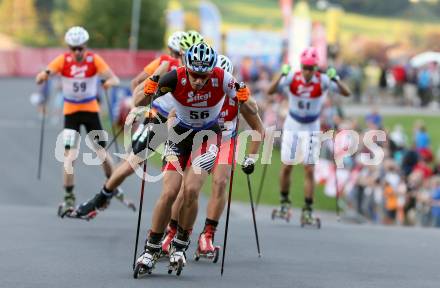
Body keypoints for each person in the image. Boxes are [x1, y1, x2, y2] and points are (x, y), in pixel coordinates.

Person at [134, 43, 250, 275]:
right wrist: (148, 89)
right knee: (169, 192)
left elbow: (251, 108)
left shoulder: (222, 77)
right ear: (187, 69)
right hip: (179, 136)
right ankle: (151, 247)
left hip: (207, 138)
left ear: (211, 71)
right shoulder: (174, 77)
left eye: (203, 76)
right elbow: (139, 101)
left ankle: (180, 244)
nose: (198, 81)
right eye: (194, 75)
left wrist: (245, 96)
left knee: (191, 191)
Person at [71, 31, 205, 218]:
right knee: (132, 163)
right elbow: (138, 83)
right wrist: (139, 108)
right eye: (182, 54)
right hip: (158, 118)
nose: (184, 59)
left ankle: (172, 230)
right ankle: (100, 198)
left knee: (177, 180)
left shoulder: (200, 75)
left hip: (180, 125)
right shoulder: (166, 63)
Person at [160, 55, 265, 258]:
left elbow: (259, 128)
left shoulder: (235, 96)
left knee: (220, 182)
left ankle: (207, 235)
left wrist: (251, 157)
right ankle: (172, 232)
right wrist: (172, 134)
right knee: (185, 189)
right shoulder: (199, 93)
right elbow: (174, 114)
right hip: (201, 141)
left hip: (225, 141)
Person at [35, 26, 120, 215]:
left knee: (101, 153)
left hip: (90, 111)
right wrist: (42, 77)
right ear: (68, 48)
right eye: (73, 48)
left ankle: (113, 184)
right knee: (69, 157)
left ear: (85, 46)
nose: (77, 52)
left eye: (80, 48)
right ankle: (68, 196)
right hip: (71, 114)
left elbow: (114, 79)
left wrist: (107, 83)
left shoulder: (94, 60)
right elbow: (46, 72)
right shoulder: (63, 60)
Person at [267, 47, 351, 224]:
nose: (307, 71)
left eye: (311, 67)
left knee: (309, 168)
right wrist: (281, 76)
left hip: (312, 126)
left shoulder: (323, 80)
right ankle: (284, 203)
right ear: (301, 66)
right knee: (287, 167)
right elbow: (270, 91)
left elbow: (346, 93)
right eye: (304, 67)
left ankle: (308, 209)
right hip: (293, 125)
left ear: (315, 68)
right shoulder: (292, 78)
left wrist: (336, 78)